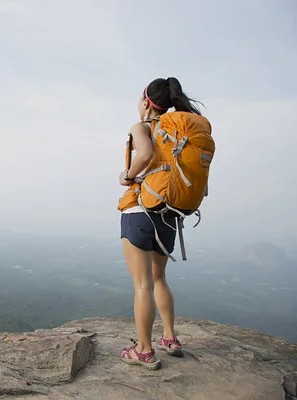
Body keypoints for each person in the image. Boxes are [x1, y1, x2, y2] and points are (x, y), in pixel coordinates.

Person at [117, 77, 204, 370]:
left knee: (141, 285)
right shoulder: (178, 132)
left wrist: (127, 176)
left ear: (145, 102)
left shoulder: (142, 127)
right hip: (169, 214)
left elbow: (145, 154)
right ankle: (170, 337)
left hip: (139, 211)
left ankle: (143, 350)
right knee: (158, 279)